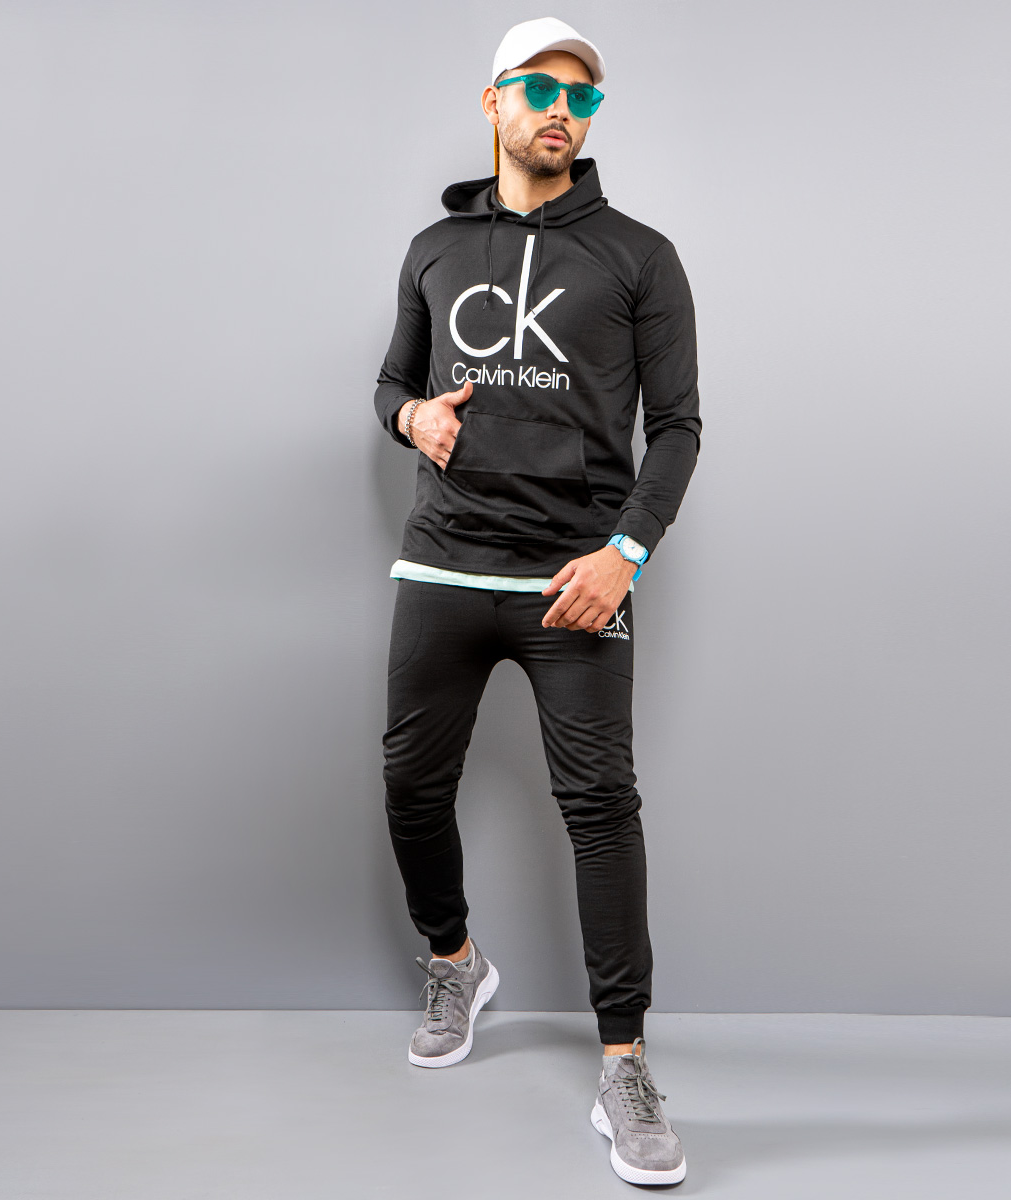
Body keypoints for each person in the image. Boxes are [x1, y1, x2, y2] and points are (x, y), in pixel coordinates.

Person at [373, 16, 701, 1186]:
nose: (563, 110)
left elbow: (679, 426)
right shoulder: (432, 249)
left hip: (576, 577)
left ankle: (626, 1066)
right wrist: (412, 417)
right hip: (446, 563)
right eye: (540, 89)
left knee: (601, 807)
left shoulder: (640, 256)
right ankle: (455, 960)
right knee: (411, 784)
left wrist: (627, 554)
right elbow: (391, 383)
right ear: (494, 102)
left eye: (583, 97)